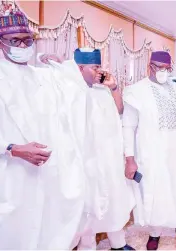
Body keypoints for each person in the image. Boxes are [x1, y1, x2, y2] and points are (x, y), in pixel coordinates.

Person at [0, 9, 94, 249]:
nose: (24, 45)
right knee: (12, 234)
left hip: (48, 171)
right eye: (16, 40)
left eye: (28, 40)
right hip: (10, 172)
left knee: (48, 230)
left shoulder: (44, 77)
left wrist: (61, 66)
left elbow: (78, 97)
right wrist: (12, 148)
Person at [123, 51, 176, 250]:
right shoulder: (136, 91)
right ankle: (155, 233)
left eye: (167, 68)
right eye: (159, 67)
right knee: (156, 190)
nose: (163, 71)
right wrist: (129, 158)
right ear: (149, 66)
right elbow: (128, 126)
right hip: (153, 153)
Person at [69, 48, 135, 250]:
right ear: (80, 68)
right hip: (86, 159)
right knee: (89, 205)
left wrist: (114, 87)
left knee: (115, 199)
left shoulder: (102, 90)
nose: (99, 70)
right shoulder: (72, 92)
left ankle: (118, 243)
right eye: (95, 67)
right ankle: (86, 247)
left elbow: (120, 111)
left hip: (109, 156)